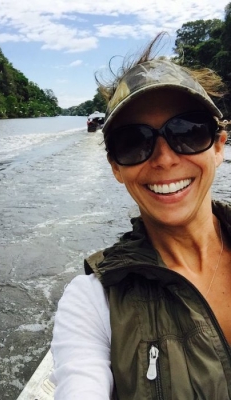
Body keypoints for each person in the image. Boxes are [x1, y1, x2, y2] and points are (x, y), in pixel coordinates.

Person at [51, 33, 231, 399]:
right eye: (135, 141)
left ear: (218, 146)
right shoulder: (93, 302)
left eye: (188, 131)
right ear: (116, 167)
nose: (164, 158)